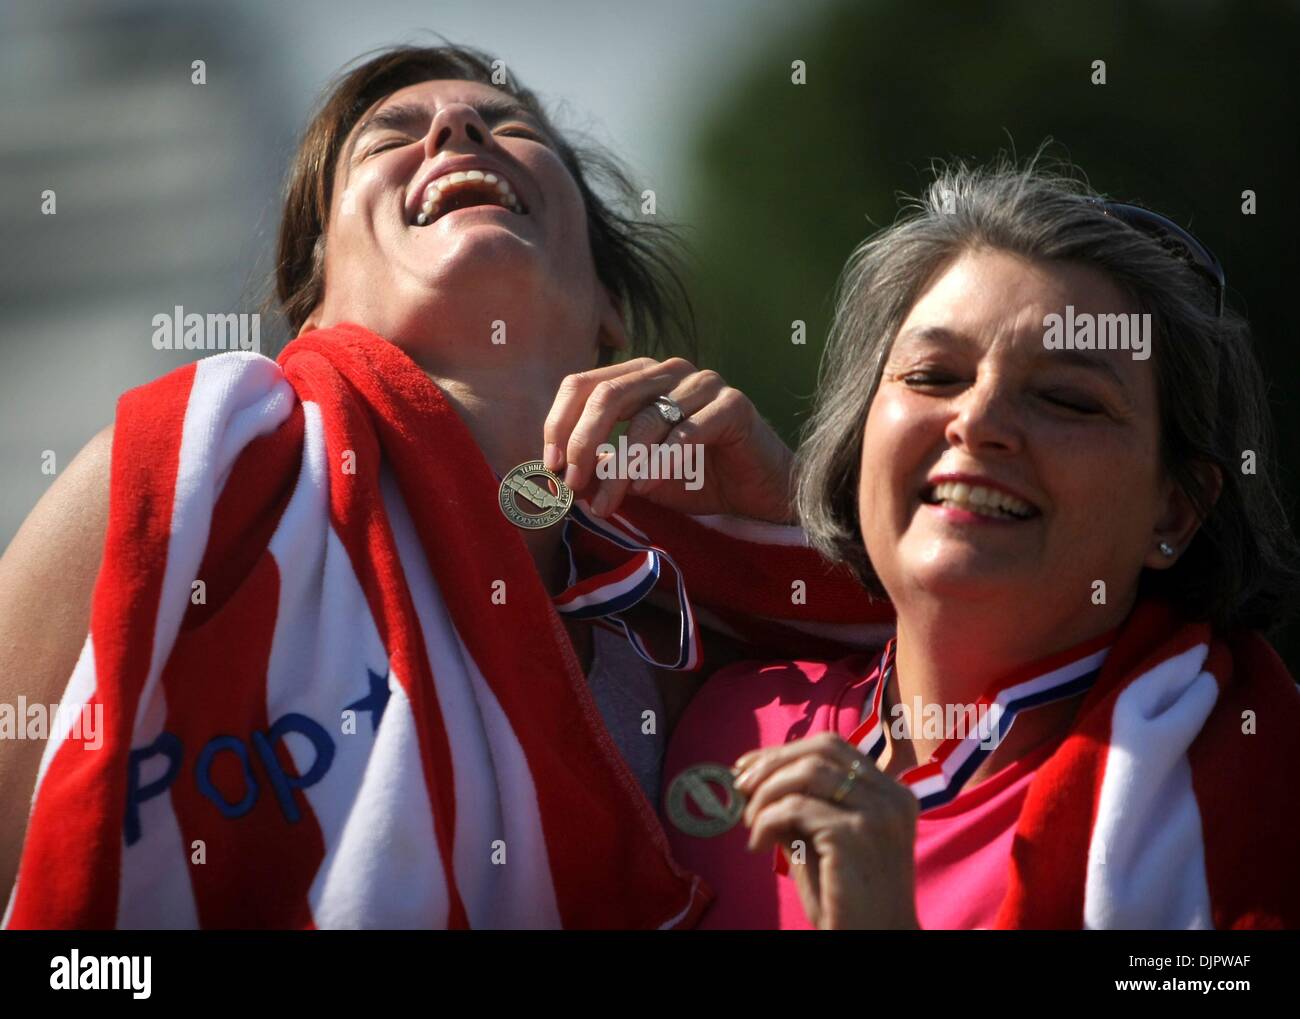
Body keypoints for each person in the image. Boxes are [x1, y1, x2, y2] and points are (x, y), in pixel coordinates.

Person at [0, 44, 877, 929]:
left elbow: (988, 717)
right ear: (317, 302)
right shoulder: (182, 475)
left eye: (510, 127)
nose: (458, 129)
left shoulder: (697, 645)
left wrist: (789, 515)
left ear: (608, 301)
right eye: (390, 137)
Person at [661, 159, 1300, 929]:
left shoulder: (1261, 792)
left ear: (1176, 512)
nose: (981, 420)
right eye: (934, 376)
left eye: (1068, 398)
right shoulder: (725, 721)